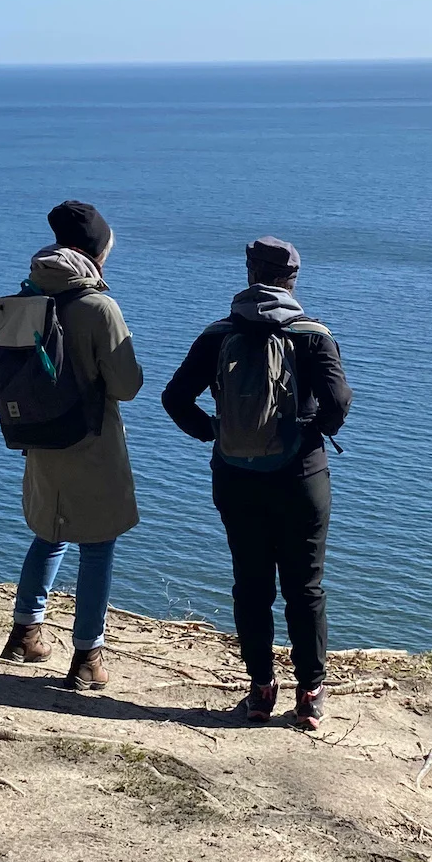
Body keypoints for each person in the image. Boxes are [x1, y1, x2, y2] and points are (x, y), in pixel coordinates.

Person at [162, 236, 352, 729]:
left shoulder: (218, 333)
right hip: (301, 478)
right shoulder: (313, 335)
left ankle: (260, 691)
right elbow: (338, 404)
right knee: (305, 587)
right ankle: (310, 692)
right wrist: (310, 431)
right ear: (293, 279)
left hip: (235, 477)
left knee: (251, 585)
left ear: (249, 273)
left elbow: (175, 398)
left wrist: (216, 432)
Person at [0, 201, 143, 692]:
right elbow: (127, 385)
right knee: (98, 545)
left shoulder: (24, 299)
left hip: (39, 439)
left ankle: (24, 631)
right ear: (95, 251)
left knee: (51, 530)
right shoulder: (99, 307)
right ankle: (87, 656)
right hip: (92, 442)